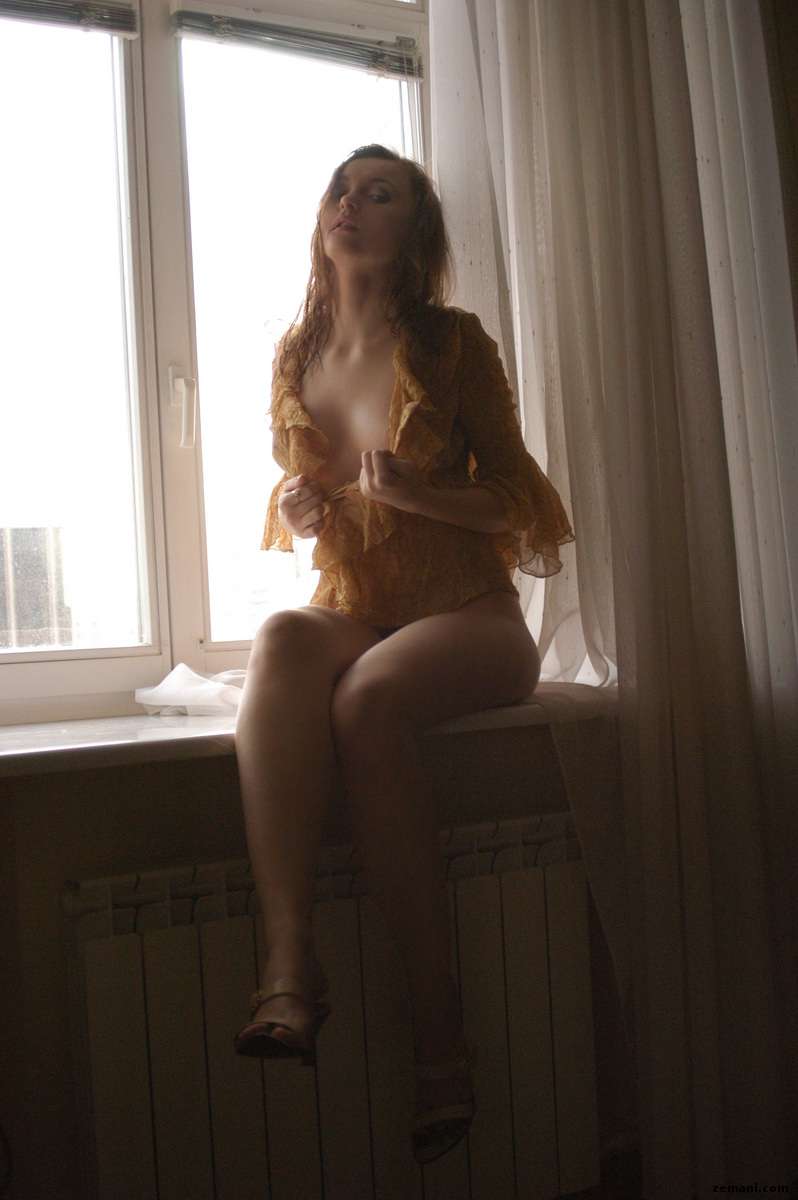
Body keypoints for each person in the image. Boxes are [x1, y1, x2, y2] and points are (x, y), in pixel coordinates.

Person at [232, 144, 575, 1165]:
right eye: (341, 188)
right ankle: (289, 965)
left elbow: (520, 503)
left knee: (367, 699)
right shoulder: (296, 354)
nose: (349, 203)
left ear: (413, 231)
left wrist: (423, 493)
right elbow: (312, 506)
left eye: (378, 194)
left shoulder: (452, 342)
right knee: (283, 635)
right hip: (359, 606)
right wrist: (297, 507)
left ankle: (440, 1037)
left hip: (470, 614)